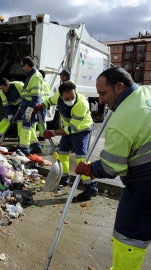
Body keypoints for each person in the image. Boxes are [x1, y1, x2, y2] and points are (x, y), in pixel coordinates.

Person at [75, 67, 151, 270]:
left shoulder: (121, 121)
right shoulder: (146, 92)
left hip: (145, 185)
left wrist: (89, 169)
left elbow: (110, 168)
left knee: (128, 236)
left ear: (119, 87)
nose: (100, 100)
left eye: (103, 94)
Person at [35, 81, 95, 200]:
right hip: (68, 129)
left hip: (81, 130)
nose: (70, 100)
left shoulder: (82, 104)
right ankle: (64, 179)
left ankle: (90, 188)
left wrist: (53, 132)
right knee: (62, 154)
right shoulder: (58, 97)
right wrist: (41, 105)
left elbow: (72, 128)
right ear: (61, 95)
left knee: (81, 159)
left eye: (72, 97)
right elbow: (49, 101)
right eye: (67, 98)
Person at [19, 56, 43, 155]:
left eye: (23, 66)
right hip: (28, 106)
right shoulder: (31, 75)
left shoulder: (35, 76)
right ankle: (36, 146)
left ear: (27, 65)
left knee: (26, 128)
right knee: (30, 128)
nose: (22, 68)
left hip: (30, 107)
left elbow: (36, 96)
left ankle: (24, 149)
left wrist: (30, 109)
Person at [0, 78, 24, 143]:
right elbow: (5, 105)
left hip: (22, 107)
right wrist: (9, 115)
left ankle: (22, 141)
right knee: (5, 121)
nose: (2, 90)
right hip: (12, 108)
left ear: (7, 85)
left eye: (3, 88)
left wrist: (23, 106)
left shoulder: (18, 85)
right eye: (1, 88)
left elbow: (27, 96)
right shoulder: (2, 92)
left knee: (20, 123)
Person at [37, 70, 51, 141]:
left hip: (40, 104)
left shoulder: (40, 83)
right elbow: (48, 94)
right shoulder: (47, 84)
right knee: (43, 120)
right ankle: (43, 135)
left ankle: (42, 136)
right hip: (45, 104)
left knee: (39, 120)